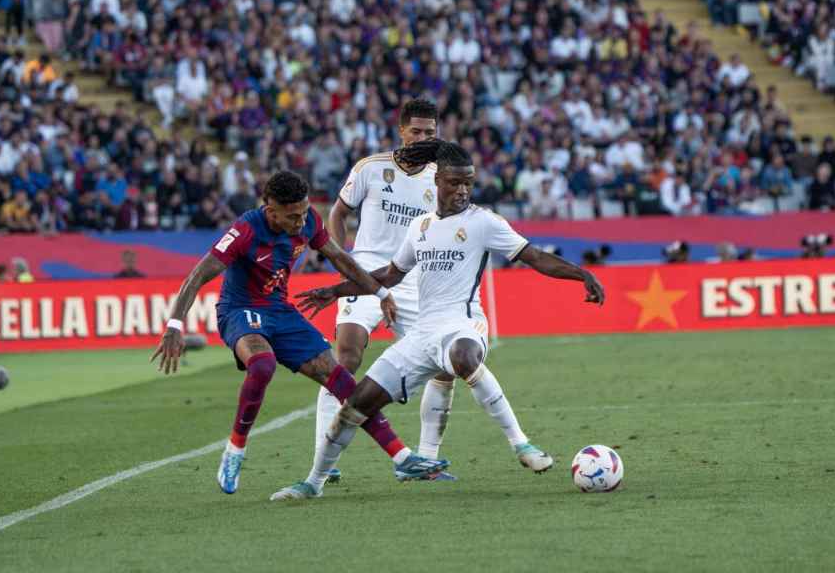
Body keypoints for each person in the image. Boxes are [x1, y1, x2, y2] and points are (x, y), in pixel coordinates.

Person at [270, 140, 604, 501]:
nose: (461, 190)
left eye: (468, 183)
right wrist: (334, 291)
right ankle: (313, 483)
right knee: (355, 404)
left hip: (463, 324)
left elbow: (536, 257)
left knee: (462, 358)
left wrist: (581, 274)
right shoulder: (421, 227)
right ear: (438, 182)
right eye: (454, 183)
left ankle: (521, 444)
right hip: (422, 336)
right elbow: (388, 275)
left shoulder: (485, 222)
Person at [150, 171, 447, 495]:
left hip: (280, 311)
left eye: (304, 212)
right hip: (240, 310)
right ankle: (235, 451)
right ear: (270, 209)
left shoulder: (307, 222)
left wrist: (379, 293)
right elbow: (197, 275)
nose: (300, 221)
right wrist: (174, 325)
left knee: (343, 381)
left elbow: (342, 260)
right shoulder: (246, 230)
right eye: (292, 216)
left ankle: (401, 456)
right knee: (262, 365)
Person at [319, 100, 528, 484]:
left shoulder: (441, 177)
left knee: (443, 366)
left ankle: (427, 459)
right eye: (415, 131)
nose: (422, 138)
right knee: (346, 356)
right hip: (367, 270)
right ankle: (325, 457)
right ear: (401, 131)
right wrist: (341, 258)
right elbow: (338, 212)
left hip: (414, 279)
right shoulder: (370, 168)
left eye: (429, 133)